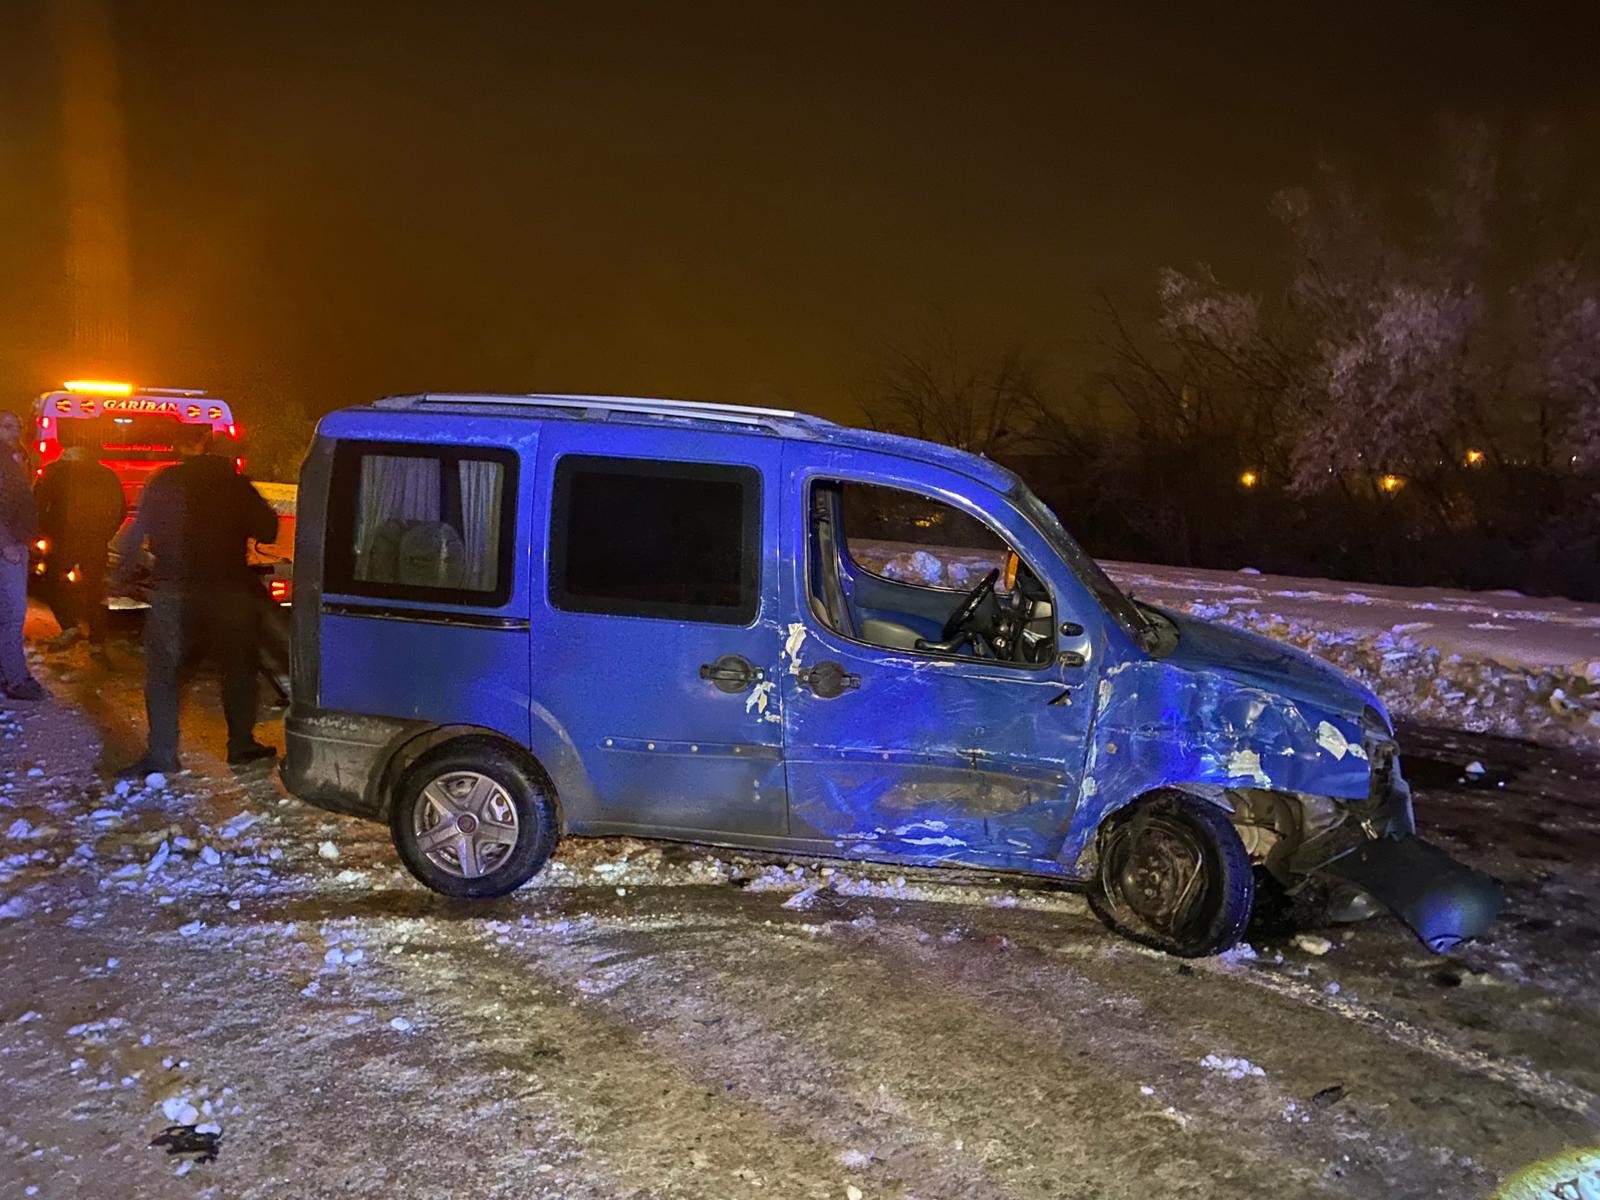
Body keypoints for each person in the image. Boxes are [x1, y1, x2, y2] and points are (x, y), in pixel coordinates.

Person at [111, 440, 279, 774]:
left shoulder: (165, 480)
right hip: (228, 592)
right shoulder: (236, 484)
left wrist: (121, 574)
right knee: (238, 671)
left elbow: (137, 531)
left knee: (164, 675)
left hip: (173, 589)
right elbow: (269, 530)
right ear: (230, 458)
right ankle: (241, 745)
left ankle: (162, 754)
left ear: (198, 450)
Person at [34, 445, 127, 655]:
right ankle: (97, 637)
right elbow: (120, 508)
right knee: (94, 589)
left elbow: (38, 505)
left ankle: (70, 626)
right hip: (96, 542)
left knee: (52, 583)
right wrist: (106, 533)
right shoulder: (107, 474)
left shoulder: (55, 472)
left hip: (62, 540)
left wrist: (42, 533)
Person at [0, 411, 44, 700]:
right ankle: (16, 679)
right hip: (9, 547)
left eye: (17, 427)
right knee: (13, 614)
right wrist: (7, 543)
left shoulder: (14, 458)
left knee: (7, 612)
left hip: (13, 543)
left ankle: (7, 671)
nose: (14, 432)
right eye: (6, 426)